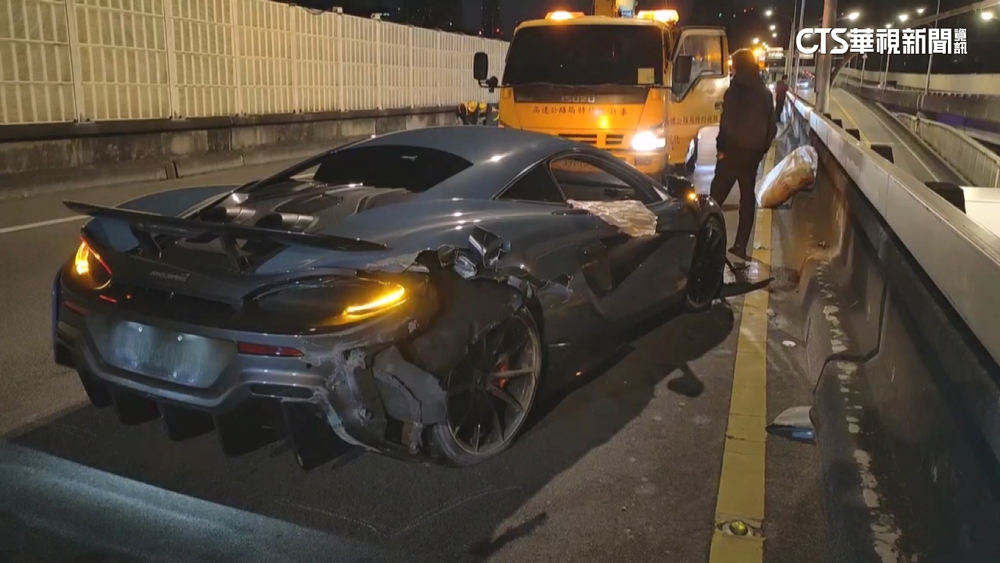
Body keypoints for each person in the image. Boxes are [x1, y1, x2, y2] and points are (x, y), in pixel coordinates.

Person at [710, 48, 777, 263]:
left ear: (738, 66)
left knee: (714, 201)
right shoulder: (765, 93)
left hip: (732, 154)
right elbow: (772, 126)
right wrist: (761, 149)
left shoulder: (735, 90)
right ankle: (740, 245)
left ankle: (706, 240)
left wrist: (722, 149)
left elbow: (727, 124)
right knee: (747, 201)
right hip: (751, 156)